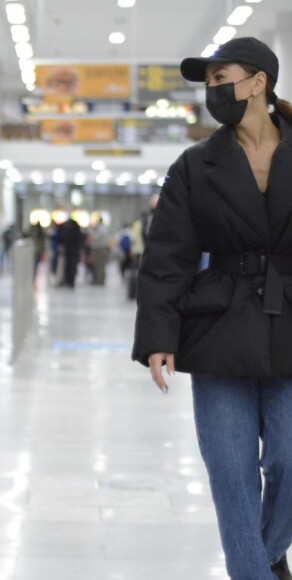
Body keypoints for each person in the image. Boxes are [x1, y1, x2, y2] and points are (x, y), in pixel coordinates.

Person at [132, 37, 292, 580]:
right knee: (230, 470)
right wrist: (158, 336)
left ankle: (268, 551)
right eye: (208, 82)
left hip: (290, 317)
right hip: (221, 324)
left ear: (259, 82)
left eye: (222, 78)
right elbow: (167, 256)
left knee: (290, 462)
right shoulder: (196, 165)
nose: (213, 91)